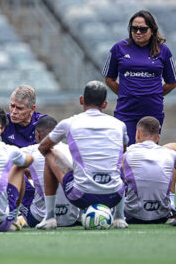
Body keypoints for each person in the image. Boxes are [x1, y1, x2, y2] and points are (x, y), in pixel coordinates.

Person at [36, 81, 129, 230]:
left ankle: (49, 217)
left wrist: (71, 164)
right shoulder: (119, 125)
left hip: (81, 196)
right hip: (114, 196)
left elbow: (42, 147)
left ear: (81, 100)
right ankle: (119, 218)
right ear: (105, 104)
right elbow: (124, 149)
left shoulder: (69, 123)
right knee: (121, 159)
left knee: (50, 153)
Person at [103, 10, 176, 145]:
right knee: (126, 151)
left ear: (152, 30)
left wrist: (155, 93)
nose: (138, 32)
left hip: (152, 111)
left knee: (149, 152)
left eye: (142, 29)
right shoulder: (119, 48)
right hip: (126, 111)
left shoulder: (163, 50)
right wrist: (125, 93)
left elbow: (172, 82)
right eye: (134, 28)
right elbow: (109, 79)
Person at [20, 116, 80, 228]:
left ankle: (12, 215)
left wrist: (23, 168)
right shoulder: (72, 150)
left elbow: (5, 159)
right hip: (71, 219)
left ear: (37, 134)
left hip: (37, 218)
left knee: (14, 170)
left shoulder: (32, 150)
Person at [121, 117, 176, 224]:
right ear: (158, 138)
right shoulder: (171, 153)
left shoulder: (127, 152)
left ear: (137, 134)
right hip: (162, 216)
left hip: (132, 216)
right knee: (171, 163)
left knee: (120, 167)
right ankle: (173, 204)